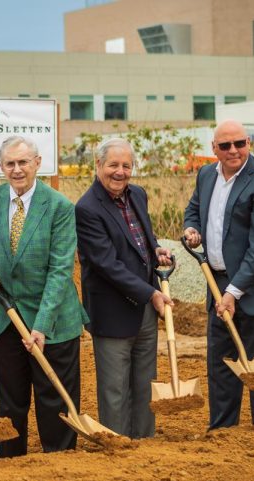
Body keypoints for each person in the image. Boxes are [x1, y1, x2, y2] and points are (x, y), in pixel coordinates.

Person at [0, 135, 87, 458]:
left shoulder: (60, 207)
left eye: (24, 162)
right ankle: (10, 469)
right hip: (3, 316)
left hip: (53, 318)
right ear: (1, 167)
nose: (17, 169)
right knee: (11, 402)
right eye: (10, 163)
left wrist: (42, 325)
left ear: (37, 163)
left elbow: (60, 270)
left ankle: (59, 463)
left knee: (54, 399)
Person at [182, 120, 254, 429]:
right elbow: (194, 210)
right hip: (217, 282)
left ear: (248, 143)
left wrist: (234, 292)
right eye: (225, 145)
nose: (233, 150)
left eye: (240, 143)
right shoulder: (207, 175)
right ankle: (222, 431)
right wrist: (190, 228)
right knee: (221, 362)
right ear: (214, 150)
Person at [75, 138, 173, 439]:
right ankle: (117, 448)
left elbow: (144, 236)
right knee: (115, 388)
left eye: (126, 165)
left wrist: (156, 250)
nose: (120, 172)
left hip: (144, 307)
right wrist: (153, 293)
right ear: (98, 166)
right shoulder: (87, 208)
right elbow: (107, 265)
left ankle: (144, 444)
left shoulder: (138, 195)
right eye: (113, 165)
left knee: (146, 383)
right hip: (112, 310)